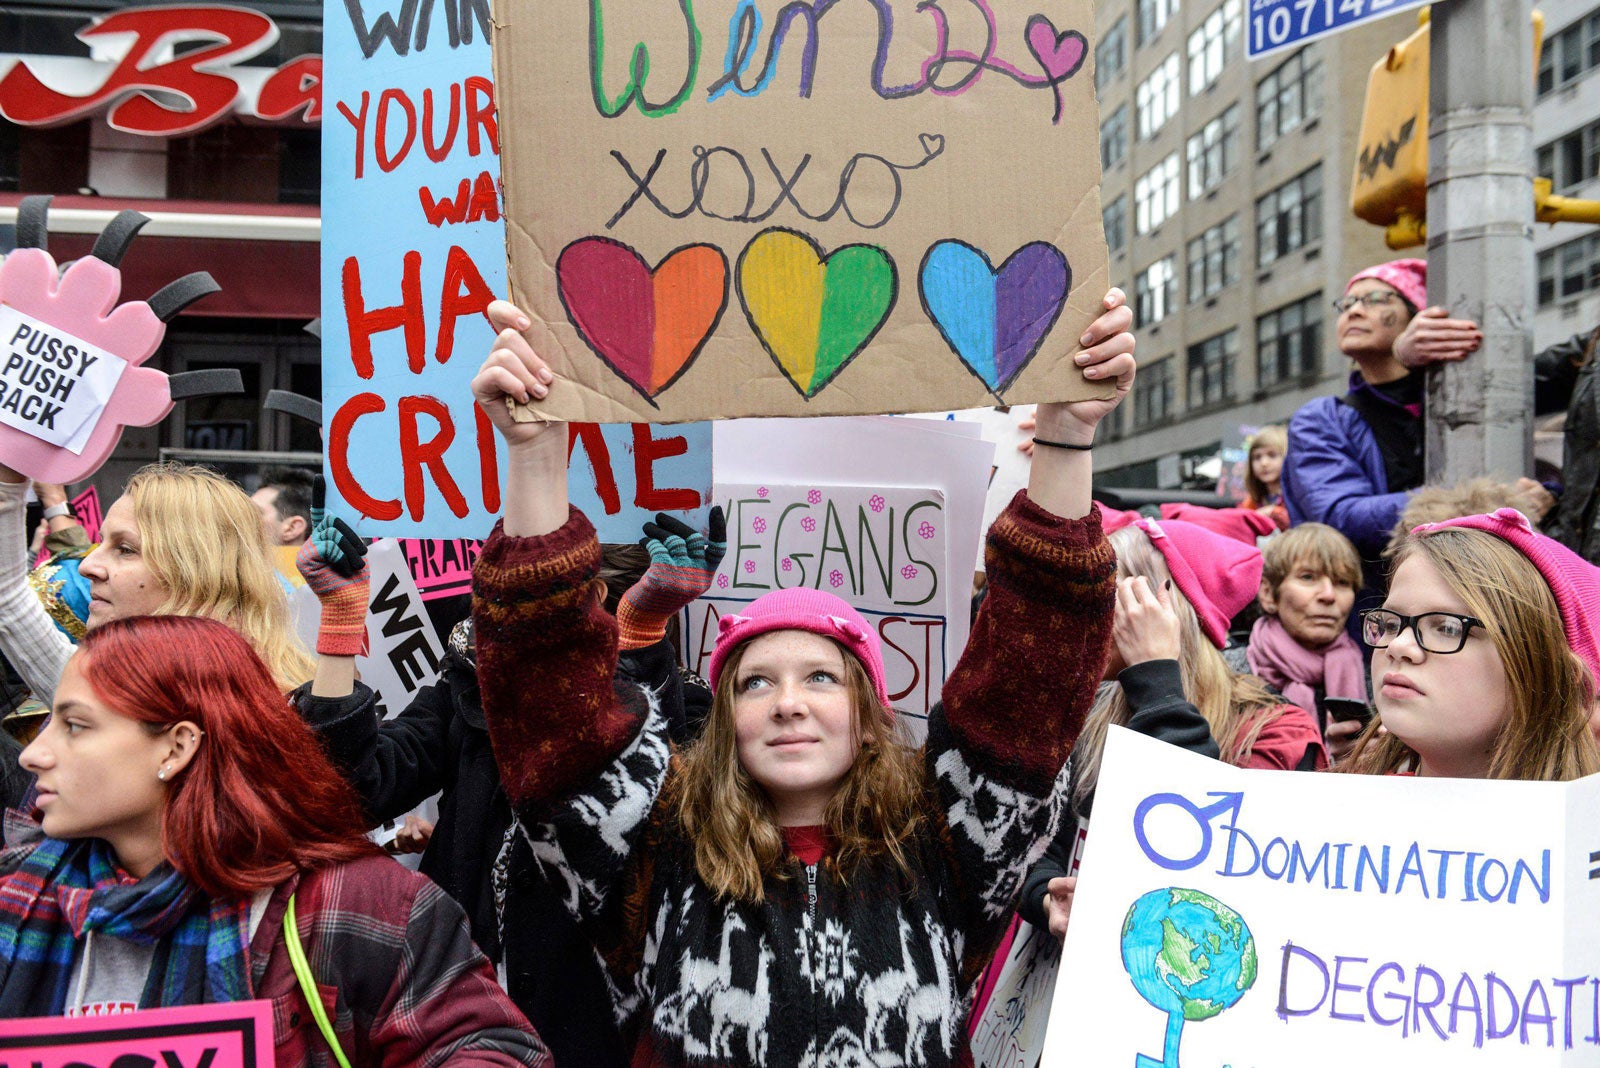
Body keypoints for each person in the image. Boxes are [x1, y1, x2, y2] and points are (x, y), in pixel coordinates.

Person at [466, 291, 1135, 1066]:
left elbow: (1031, 670)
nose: (788, 703)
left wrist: (1064, 437)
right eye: (754, 684)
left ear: (868, 710)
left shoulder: (946, 847)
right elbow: (550, 705)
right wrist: (537, 455)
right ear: (722, 718)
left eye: (821, 676)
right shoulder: (653, 851)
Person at [1, 614, 550, 1064]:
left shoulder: (352, 904)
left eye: (75, 726)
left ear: (176, 747)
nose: (33, 754)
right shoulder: (17, 890)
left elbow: (491, 1049)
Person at [296, 511, 724, 1068]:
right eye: (501, 590)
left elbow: (657, 812)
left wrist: (639, 636)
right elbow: (349, 791)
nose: (509, 612)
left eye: (530, 591)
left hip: (595, 1022)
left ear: (591, 595)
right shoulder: (464, 688)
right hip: (459, 1002)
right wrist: (340, 623)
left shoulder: (678, 697)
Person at [1019, 516, 1325, 939]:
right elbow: (1040, 841)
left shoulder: (1274, 731)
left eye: (1106, 595)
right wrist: (1046, 896)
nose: (1082, 617)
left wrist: (1155, 676)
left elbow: (1212, 855)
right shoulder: (1094, 713)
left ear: (1163, 606)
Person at [0, 461, 316, 704]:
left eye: (125, 550)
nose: (88, 565)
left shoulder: (282, 713)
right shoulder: (105, 684)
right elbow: (9, 600)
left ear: (197, 575)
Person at [1342, 508, 1600, 780]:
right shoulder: (1333, 814)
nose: (1399, 646)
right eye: (1391, 624)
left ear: (1555, 675)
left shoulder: (1582, 820)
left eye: (1447, 628)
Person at [1246, 523, 1366, 756]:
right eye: (1308, 577)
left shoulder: (1375, 680)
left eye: (1342, 582)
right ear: (1269, 594)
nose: (1329, 595)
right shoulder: (1231, 674)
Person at [1240, 425, 1289, 530]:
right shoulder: (1251, 501)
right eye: (1257, 457)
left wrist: (1274, 512)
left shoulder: (1296, 497)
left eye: (1272, 455)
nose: (1264, 463)